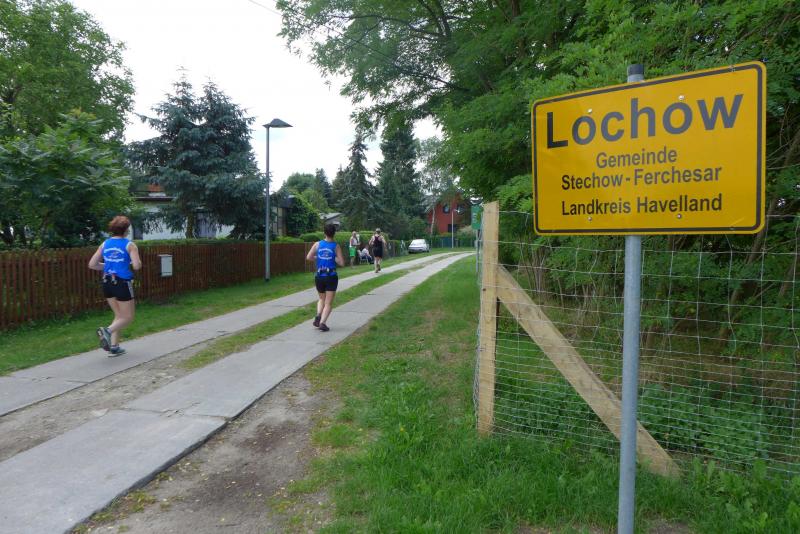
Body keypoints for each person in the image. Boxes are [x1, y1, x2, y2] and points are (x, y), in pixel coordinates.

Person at [88, 215, 142, 356]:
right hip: (122, 283)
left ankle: (114, 347)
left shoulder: (105, 244)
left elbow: (92, 264)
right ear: (126, 230)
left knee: (119, 315)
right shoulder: (130, 245)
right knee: (128, 317)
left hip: (107, 282)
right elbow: (136, 266)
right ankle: (107, 331)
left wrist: (110, 266)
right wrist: (134, 263)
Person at [305, 223, 345, 332]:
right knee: (328, 303)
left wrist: (318, 257)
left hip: (319, 276)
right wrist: (334, 258)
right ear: (334, 233)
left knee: (321, 299)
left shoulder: (317, 244)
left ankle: (318, 314)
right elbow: (342, 263)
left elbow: (308, 257)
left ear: (324, 233)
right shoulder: (336, 246)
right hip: (331, 276)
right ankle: (322, 323)